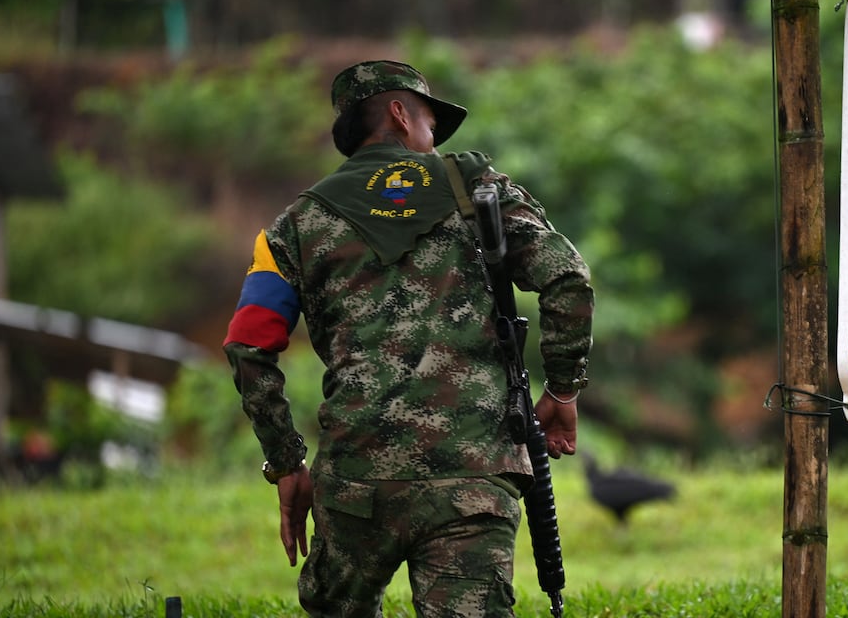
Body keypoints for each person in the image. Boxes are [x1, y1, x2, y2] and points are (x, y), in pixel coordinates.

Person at [222, 60, 594, 617]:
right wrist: (562, 392)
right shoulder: (477, 191)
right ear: (399, 114)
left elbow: (248, 344)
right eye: (429, 124)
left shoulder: (296, 224)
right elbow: (568, 281)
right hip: (473, 475)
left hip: (355, 481)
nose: (433, 140)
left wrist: (287, 462)